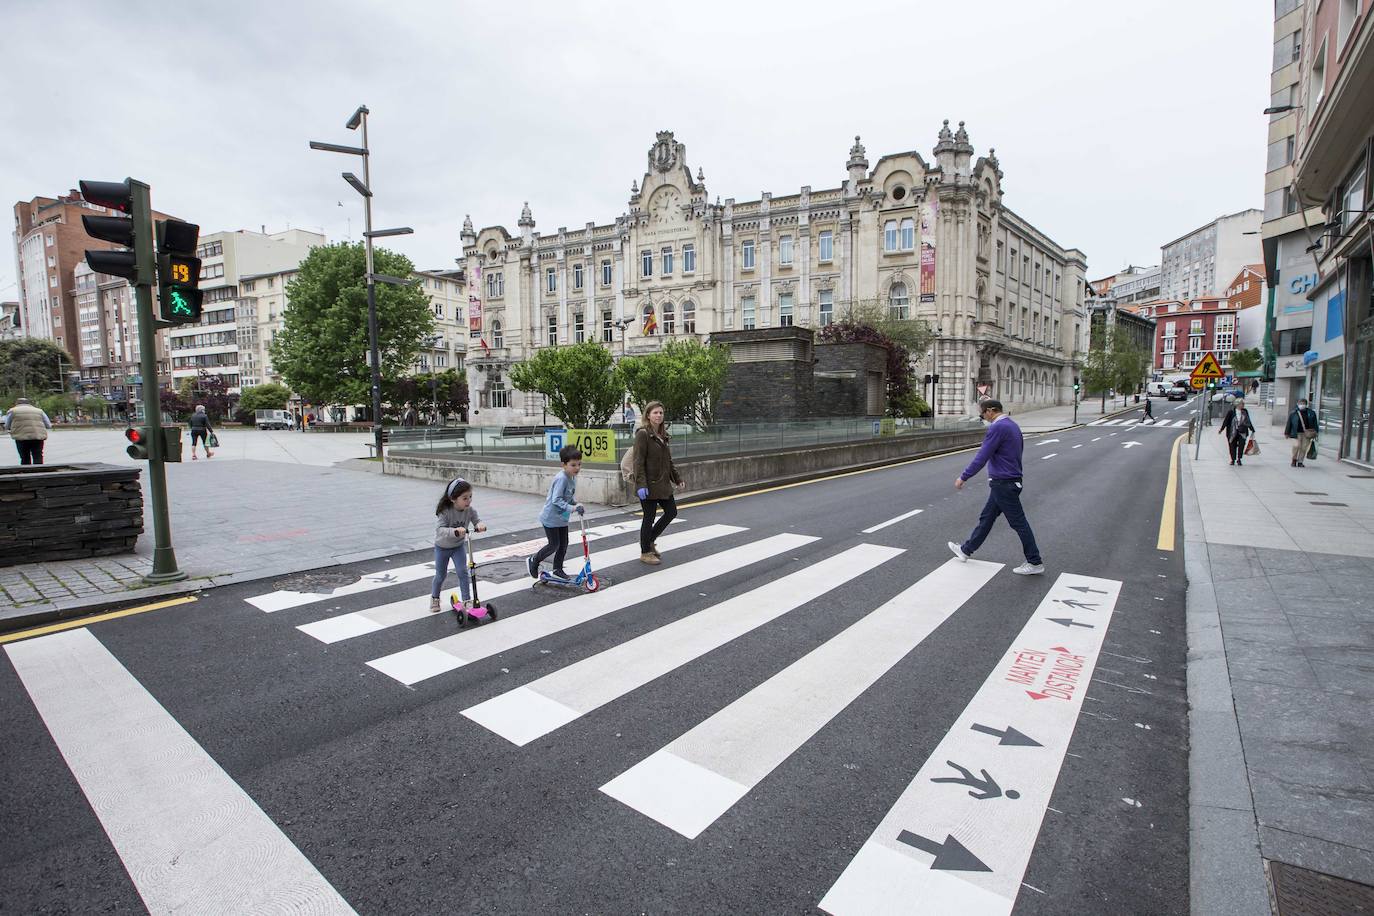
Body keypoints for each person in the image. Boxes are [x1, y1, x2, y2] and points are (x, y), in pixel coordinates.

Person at [948, 399, 1044, 575]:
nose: (983, 417)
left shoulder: (997, 428)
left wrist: (964, 477)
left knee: (1019, 523)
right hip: (1009, 481)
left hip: (1003, 483)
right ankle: (965, 550)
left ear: (991, 411)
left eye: (983, 413)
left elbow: (982, 455)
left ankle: (1034, 561)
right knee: (987, 518)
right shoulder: (1012, 425)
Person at [634, 400, 683, 565]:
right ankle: (645, 552)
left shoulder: (662, 435)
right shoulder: (643, 434)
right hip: (648, 485)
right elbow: (638, 461)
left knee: (671, 512)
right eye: (655, 412)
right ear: (648, 415)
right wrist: (641, 485)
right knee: (649, 517)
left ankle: (649, 540)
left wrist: (677, 479)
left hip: (662, 484)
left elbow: (668, 462)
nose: (659, 415)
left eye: (661, 413)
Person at [527, 445, 584, 580]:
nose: (577, 468)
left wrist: (576, 504)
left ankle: (557, 569)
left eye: (579, 464)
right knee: (554, 545)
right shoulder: (562, 478)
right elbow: (556, 500)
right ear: (564, 465)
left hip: (562, 518)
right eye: (573, 465)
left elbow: (568, 498)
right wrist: (572, 508)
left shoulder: (572, 477)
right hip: (551, 518)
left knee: (563, 544)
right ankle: (534, 560)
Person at [432, 477, 486, 612]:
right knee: (441, 575)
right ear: (453, 499)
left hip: (458, 547)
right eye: (465, 498)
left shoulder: (470, 510)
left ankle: (467, 600)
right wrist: (455, 531)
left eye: (470, 497)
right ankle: (435, 598)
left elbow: (477, 520)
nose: (469, 501)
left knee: (463, 572)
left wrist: (479, 525)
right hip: (442, 548)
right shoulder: (446, 511)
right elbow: (440, 530)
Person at [3, 397, 52, 465]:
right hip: (37, 436)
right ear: (29, 403)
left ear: (17, 403)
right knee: (38, 456)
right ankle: (39, 471)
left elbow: (6, 425)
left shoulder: (13, 411)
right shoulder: (39, 411)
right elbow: (48, 425)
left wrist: (11, 428)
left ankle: (26, 472)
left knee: (25, 457)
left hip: (21, 437)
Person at [1219, 397, 1255, 466]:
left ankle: (1239, 459)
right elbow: (1226, 421)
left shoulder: (1245, 411)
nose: (1243, 405)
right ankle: (1233, 459)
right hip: (1232, 432)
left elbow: (1248, 421)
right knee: (1232, 446)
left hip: (1242, 431)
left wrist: (1252, 429)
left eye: (1243, 404)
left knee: (1241, 445)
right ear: (1237, 404)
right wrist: (1221, 429)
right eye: (1242, 404)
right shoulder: (1231, 412)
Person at [1285, 397, 1318, 468]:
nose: (1302, 405)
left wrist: (1316, 432)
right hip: (1295, 433)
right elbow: (1289, 423)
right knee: (1296, 446)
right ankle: (1294, 459)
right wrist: (1287, 433)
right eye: (1300, 403)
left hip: (1307, 434)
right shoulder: (1293, 413)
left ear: (1306, 405)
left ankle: (1300, 461)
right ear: (1298, 404)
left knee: (1304, 448)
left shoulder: (1311, 413)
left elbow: (1315, 423)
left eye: (1304, 404)